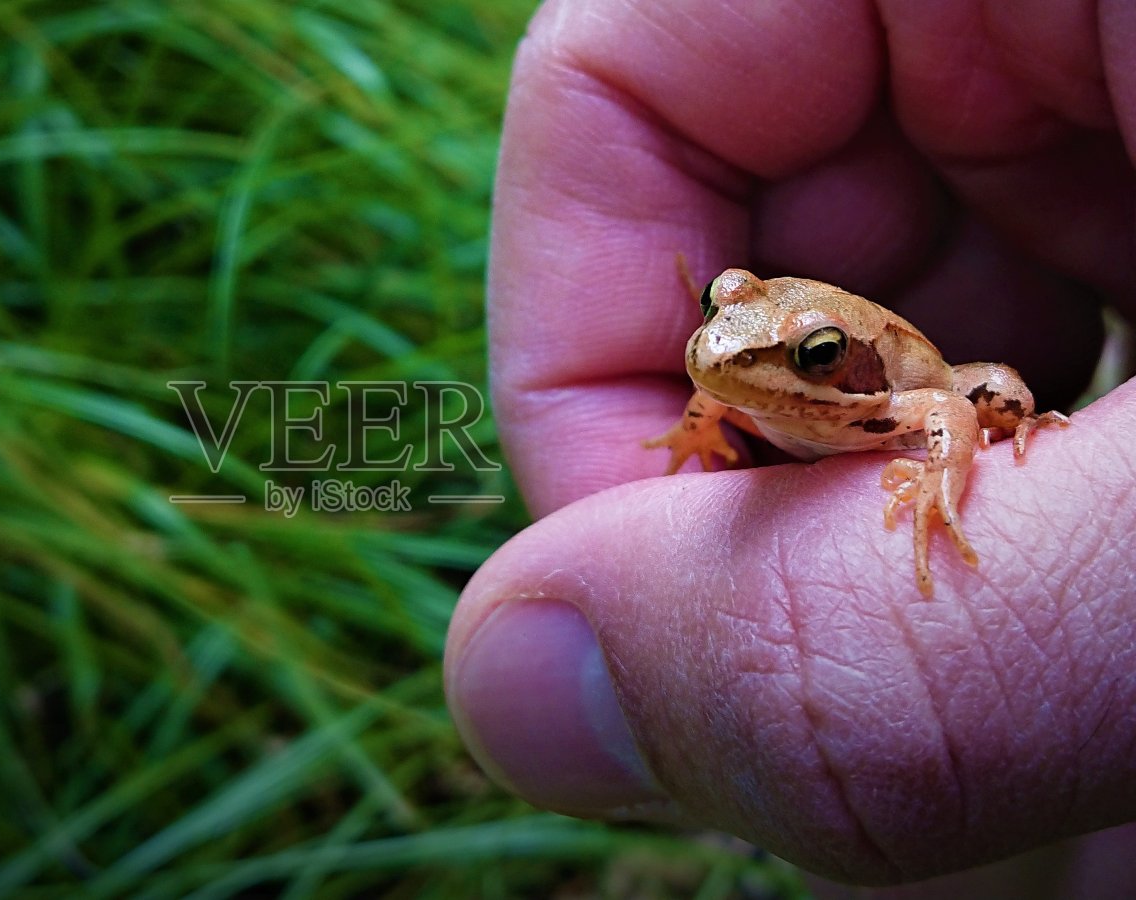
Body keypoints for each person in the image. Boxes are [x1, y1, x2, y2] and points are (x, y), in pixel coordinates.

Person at [443, 0, 1136, 895]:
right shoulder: (733, 359)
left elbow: (950, 409)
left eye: (807, 356)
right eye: (715, 315)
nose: (720, 353)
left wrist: (939, 486)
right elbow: (718, 377)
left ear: (827, 360)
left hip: (911, 382)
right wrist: (701, 423)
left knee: (1003, 388)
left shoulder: (888, 400)